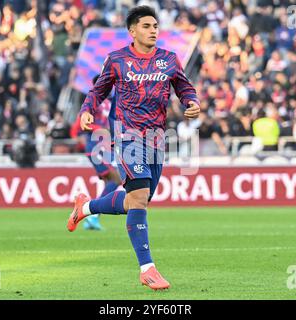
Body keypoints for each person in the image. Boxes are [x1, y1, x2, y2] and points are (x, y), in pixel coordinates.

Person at [66, 6, 200, 290]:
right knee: (138, 199)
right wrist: (87, 110)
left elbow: (184, 87)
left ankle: (85, 207)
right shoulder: (117, 60)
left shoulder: (169, 60)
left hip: (157, 139)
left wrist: (192, 102)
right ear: (133, 31)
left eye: (155, 26)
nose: (153, 30)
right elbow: (98, 90)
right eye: (147, 26)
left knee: (135, 201)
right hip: (127, 136)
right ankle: (147, 269)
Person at [71, 74, 122, 230]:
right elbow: (76, 127)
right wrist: (82, 135)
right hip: (95, 147)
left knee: (112, 182)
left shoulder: (111, 103)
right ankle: (91, 212)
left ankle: (92, 218)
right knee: (117, 180)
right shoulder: (93, 103)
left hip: (106, 147)